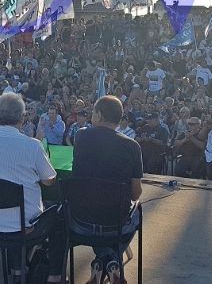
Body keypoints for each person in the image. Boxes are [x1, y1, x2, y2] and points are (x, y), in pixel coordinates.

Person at [0, 92, 66, 283]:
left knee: (17, 208)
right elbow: (49, 180)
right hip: (24, 226)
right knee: (61, 216)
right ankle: (54, 275)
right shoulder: (32, 146)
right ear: (22, 118)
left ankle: (18, 270)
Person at [72, 96, 143, 284]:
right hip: (115, 218)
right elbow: (135, 193)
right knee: (136, 211)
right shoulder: (132, 146)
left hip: (82, 215)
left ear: (100, 115)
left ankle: (103, 260)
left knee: (95, 213)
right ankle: (112, 259)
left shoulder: (80, 136)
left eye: (93, 112)